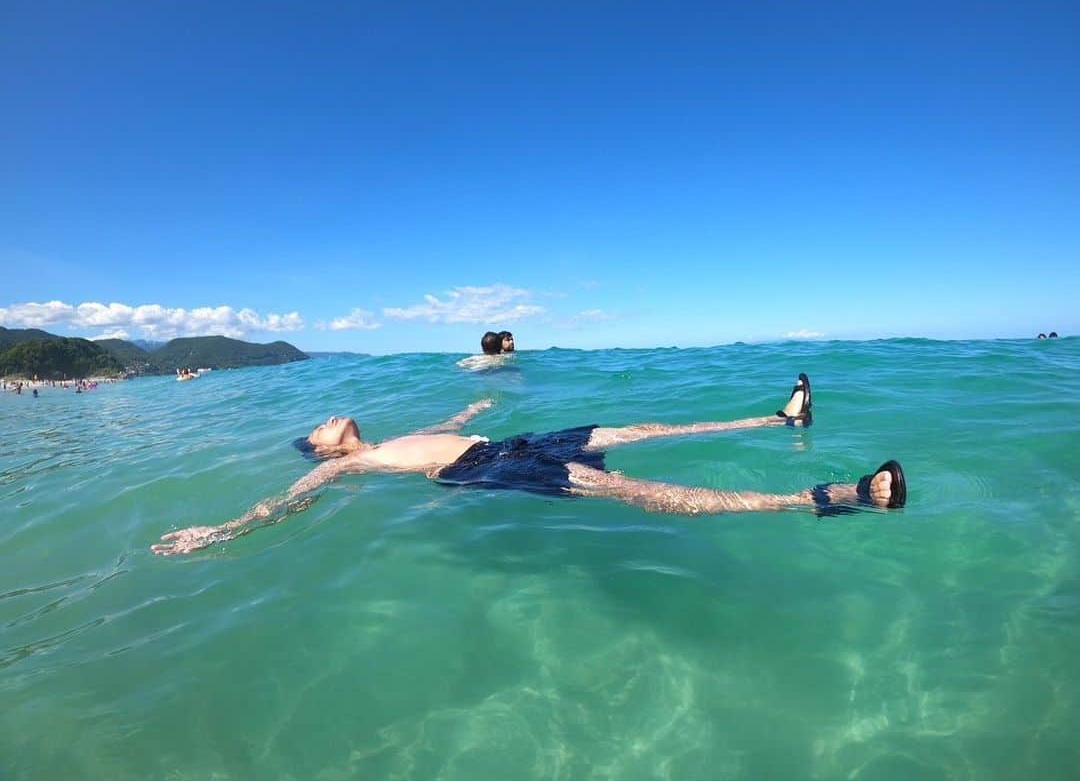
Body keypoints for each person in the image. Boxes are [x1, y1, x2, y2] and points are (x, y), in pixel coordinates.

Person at [152, 374, 908, 556]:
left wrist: (475, 408)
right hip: (488, 473)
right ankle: (830, 495)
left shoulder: (394, 432)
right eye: (318, 427)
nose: (327, 417)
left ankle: (776, 416)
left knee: (637, 426)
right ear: (324, 447)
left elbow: (447, 422)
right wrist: (221, 529)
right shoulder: (345, 467)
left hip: (508, 445)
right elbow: (288, 500)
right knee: (646, 491)